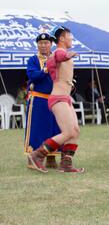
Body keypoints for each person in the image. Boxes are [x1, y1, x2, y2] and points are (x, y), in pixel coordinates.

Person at [27, 26, 84, 173]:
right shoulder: (60, 52)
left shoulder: (58, 53)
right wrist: (67, 56)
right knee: (67, 132)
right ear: (62, 38)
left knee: (75, 131)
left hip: (65, 97)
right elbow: (58, 57)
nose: (71, 38)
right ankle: (37, 155)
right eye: (69, 36)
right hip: (58, 98)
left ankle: (66, 164)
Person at [24, 33, 61, 170]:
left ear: (51, 44)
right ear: (37, 45)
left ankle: (51, 157)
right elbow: (32, 75)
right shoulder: (33, 60)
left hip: (55, 99)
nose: (43, 45)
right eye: (41, 43)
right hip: (38, 99)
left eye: (46, 43)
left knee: (54, 128)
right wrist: (45, 70)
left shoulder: (57, 58)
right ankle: (31, 158)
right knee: (37, 129)